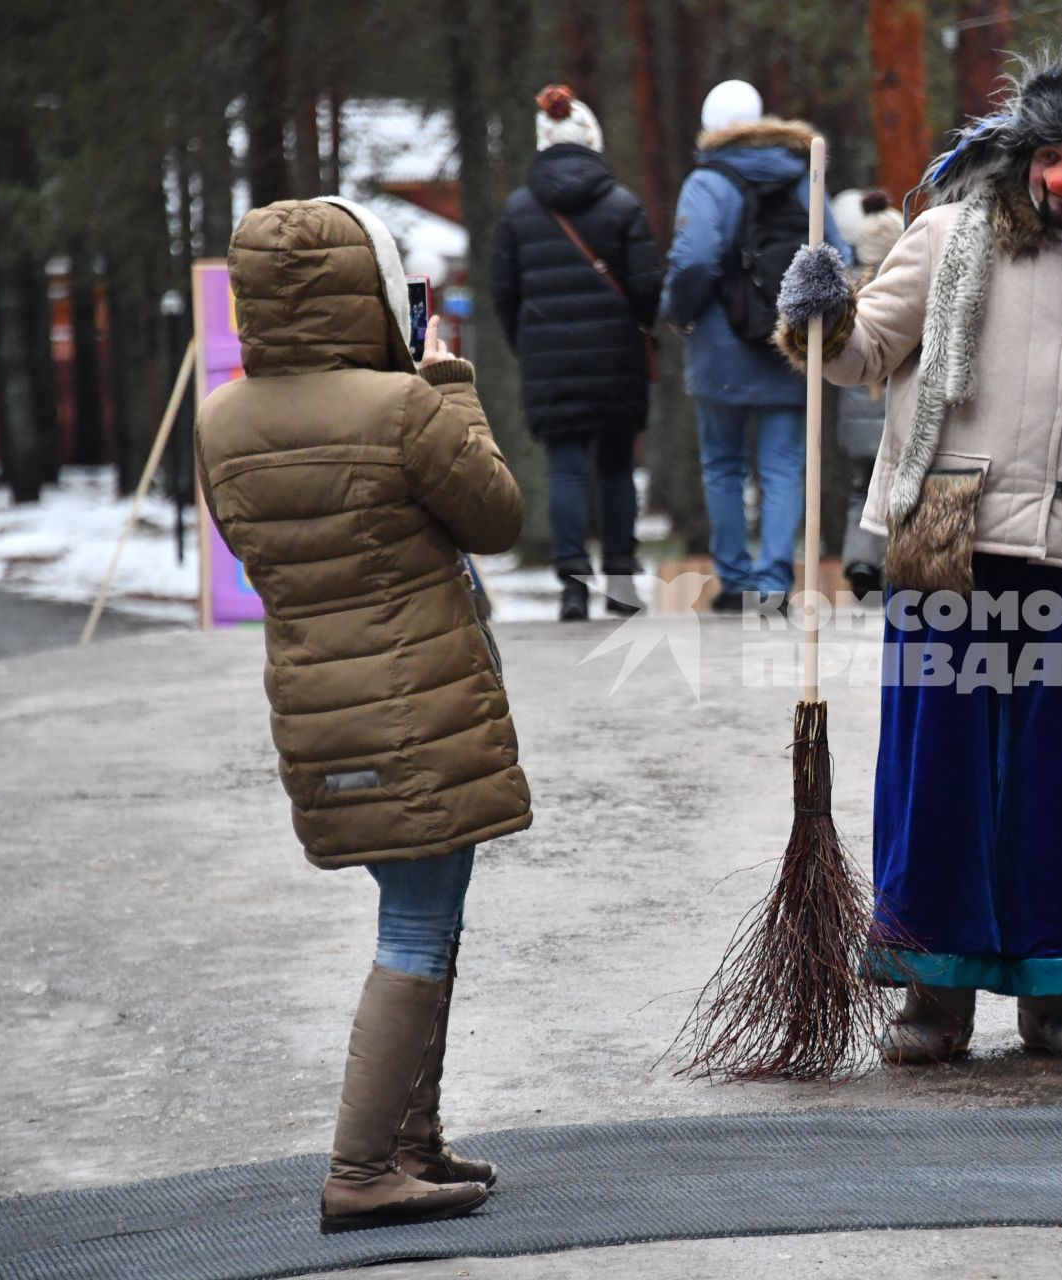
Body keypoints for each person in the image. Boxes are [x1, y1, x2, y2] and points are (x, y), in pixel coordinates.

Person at [776, 46, 1062, 1062]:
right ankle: (935, 989)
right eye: (1053, 155)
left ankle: (1059, 989)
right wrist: (816, 312)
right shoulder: (948, 236)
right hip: (944, 524)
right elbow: (859, 355)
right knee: (941, 771)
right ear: (1023, 157)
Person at [195, 197, 530, 1229]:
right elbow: (499, 516)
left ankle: (410, 1142)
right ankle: (360, 1164)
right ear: (371, 290)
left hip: (318, 709)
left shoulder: (223, 419)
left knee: (426, 909)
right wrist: (451, 385)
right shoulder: (402, 408)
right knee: (420, 922)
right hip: (416, 704)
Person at [660, 79, 849, 614]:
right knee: (784, 465)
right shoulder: (803, 174)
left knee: (722, 464)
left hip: (720, 345)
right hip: (788, 344)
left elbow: (694, 258)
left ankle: (736, 580)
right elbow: (837, 249)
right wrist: (810, 320)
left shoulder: (706, 180)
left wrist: (681, 313)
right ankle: (772, 584)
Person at [492, 85, 663, 622]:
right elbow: (647, 288)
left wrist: (530, 345)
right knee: (615, 468)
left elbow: (503, 292)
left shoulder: (517, 211)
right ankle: (620, 584)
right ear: (593, 141)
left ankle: (571, 588)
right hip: (616, 358)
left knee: (565, 470)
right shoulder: (622, 204)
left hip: (548, 359)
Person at [835, 189, 905, 598]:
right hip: (892, 415)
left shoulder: (848, 284)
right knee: (895, 488)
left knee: (861, 489)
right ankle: (888, 562)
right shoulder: (903, 287)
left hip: (856, 412)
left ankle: (860, 559)